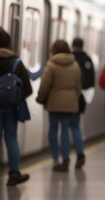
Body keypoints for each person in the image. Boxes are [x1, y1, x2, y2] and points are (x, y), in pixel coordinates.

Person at [36, 40, 82, 172]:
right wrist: (73, 97)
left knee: (53, 129)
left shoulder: (51, 65)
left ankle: (56, 158)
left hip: (54, 102)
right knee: (65, 130)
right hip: (70, 102)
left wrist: (40, 98)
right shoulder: (75, 65)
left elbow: (45, 85)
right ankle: (66, 159)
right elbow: (78, 86)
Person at [0, 28, 33, 186]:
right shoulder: (16, 62)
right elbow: (28, 89)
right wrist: (14, 98)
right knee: (11, 138)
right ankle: (14, 174)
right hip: (11, 108)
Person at [71, 37, 95, 167]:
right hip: (81, 98)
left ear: (72, 45)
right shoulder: (87, 59)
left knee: (63, 126)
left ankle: (63, 158)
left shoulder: (70, 59)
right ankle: (80, 153)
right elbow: (91, 81)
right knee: (76, 126)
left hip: (68, 98)